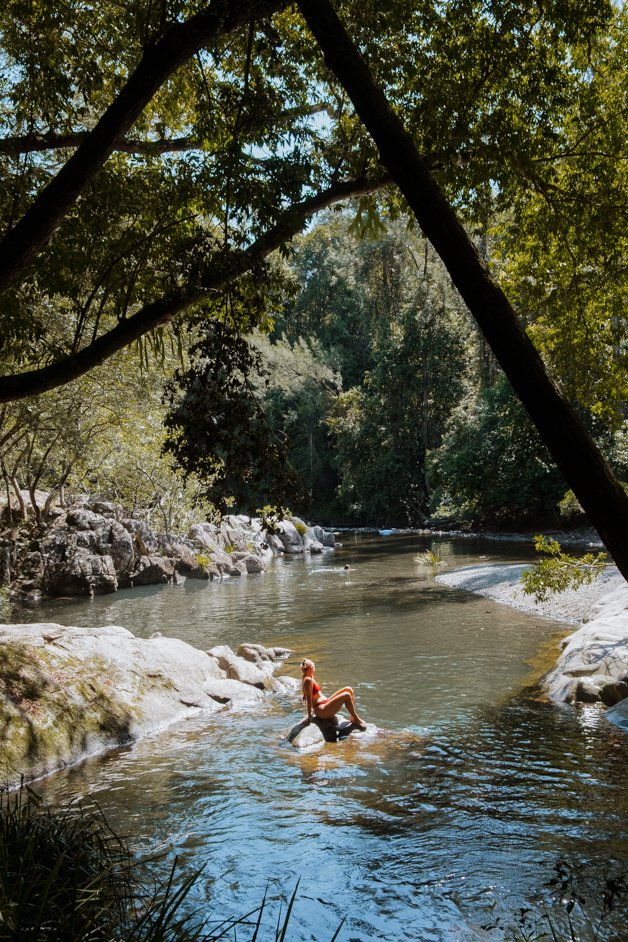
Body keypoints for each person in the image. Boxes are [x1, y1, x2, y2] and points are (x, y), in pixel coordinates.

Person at [301, 658, 367, 730]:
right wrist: (309, 717)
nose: (314, 668)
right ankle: (356, 719)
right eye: (313, 667)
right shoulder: (308, 680)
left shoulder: (309, 676)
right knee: (346, 695)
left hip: (324, 704)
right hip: (322, 710)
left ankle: (352, 718)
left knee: (349, 689)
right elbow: (308, 698)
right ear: (310, 668)